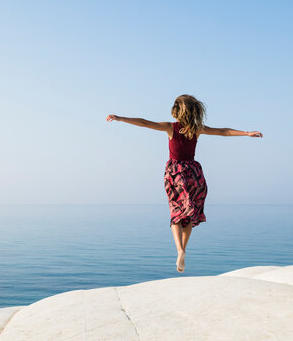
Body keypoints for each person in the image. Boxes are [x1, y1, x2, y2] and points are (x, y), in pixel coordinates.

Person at [106, 94, 263, 273]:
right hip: (194, 173)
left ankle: (179, 250)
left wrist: (120, 118)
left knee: (176, 211)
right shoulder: (196, 129)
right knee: (190, 212)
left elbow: (143, 122)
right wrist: (247, 133)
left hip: (175, 173)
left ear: (176, 111)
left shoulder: (170, 127)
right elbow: (223, 131)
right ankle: (184, 249)